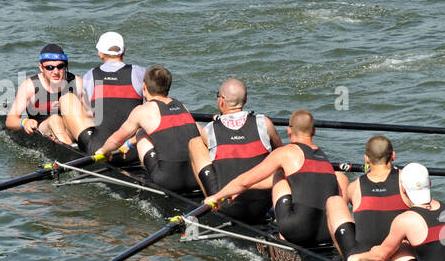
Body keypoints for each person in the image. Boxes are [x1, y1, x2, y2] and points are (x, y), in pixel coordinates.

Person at [208, 109, 347, 246]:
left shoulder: (286, 153)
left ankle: (283, 237)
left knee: (279, 175)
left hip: (296, 230)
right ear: (314, 131)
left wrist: (217, 196)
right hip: (327, 234)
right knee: (340, 177)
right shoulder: (324, 158)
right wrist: (239, 190)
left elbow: (244, 181)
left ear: (289, 130)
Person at [92, 65, 208, 193]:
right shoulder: (183, 107)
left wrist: (104, 151)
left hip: (168, 181)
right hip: (196, 179)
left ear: (144, 87)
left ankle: (152, 181)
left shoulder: (143, 111)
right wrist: (129, 144)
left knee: (141, 132)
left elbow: (115, 141)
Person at [191, 79, 281, 224]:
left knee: (194, 143)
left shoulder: (209, 129)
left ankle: (211, 200)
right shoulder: (265, 123)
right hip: (263, 206)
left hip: (229, 207)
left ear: (221, 101)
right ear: (245, 100)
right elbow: (281, 153)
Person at [324, 135, 406, 261]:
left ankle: (345, 260)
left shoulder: (355, 186)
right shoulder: (406, 181)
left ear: (366, 159)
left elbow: (343, 213)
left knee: (334, 201)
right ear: (393, 156)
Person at [5, 43, 92, 148]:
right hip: (44, 130)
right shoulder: (30, 86)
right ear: (41, 67)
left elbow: (91, 115)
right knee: (55, 119)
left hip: (70, 129)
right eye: (50, 67)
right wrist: (24, 122)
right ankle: (70, 151)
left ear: (65, 66)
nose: (56, 72)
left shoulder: (77, 82)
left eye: (60, 66)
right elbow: (10, 120)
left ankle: (88, 146)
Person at [80, 31, 146, 158]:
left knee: (70, 102)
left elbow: (88, 114)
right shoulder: (140, 73)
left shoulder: (90, 75)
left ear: (100, 54)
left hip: (100, 151)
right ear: (124, 51)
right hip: (133, 151)